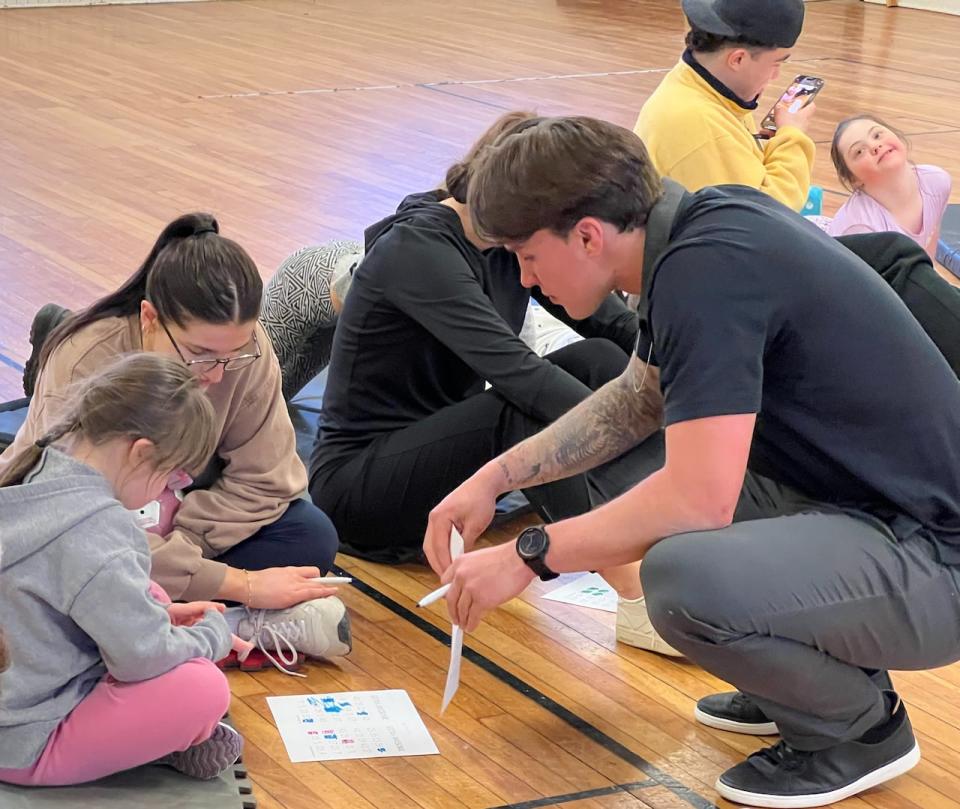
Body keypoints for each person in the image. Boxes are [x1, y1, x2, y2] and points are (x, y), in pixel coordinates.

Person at [425, 115, 960, 807]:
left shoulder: (705, 273)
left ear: (587, 235)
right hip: (890, 514)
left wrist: (528, 552)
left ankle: (856, 730)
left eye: (527, 256)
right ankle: (809, 686)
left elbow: (696, 500)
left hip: (940, 561)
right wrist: (496, 476)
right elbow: (634, 401)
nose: (525, 279)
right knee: (655, 495)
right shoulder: (699, 226)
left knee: (679, 572)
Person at [308, 112, 676, 654]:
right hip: (361, 488)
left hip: (441, 464)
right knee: (523, 410)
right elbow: (520, 377)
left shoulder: (503, 245)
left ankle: (663, 523)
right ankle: (633, 593)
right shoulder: (419, 251)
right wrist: (631, 430)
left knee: (599, 359)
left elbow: (612, 327)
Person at [4, 214, 351, 662]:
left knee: (311, 538)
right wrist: (239, 585)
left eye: (234, 354)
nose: (217, 374)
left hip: (178, 517)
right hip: (95, 525)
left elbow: (267, 480)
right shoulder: (88, 360)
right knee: (58, 585)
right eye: (201, 354)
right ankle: (226, 623)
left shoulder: (250, 353)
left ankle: (165, 620)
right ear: (149, 319)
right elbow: (70, 525)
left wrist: (185, 547)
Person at [0, 354, 243, 786]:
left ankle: (159, 737)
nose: (168, 490)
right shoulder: (100, 532)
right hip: (23, 744)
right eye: (171, 478)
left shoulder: (40, 466)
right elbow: (141, 660)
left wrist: (160, 621)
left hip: (21, 690)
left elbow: (60, 597)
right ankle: (165, 741)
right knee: (204, 688)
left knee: (153, 597)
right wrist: (212, 637)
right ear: (141, 453)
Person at [635, 0, 815, 211]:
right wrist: (792, 137)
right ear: (737, 59)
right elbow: (768, 215)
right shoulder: (697, 123)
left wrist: (767, 147)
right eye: (776, 63)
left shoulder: (704, 88)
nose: (776, 75)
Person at [828, 115, 953, 261]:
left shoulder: (937, 181)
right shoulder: (860, 228)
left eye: (877, 135)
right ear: (854, 180)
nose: (875, 146)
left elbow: (929, 246)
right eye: (859, 151)